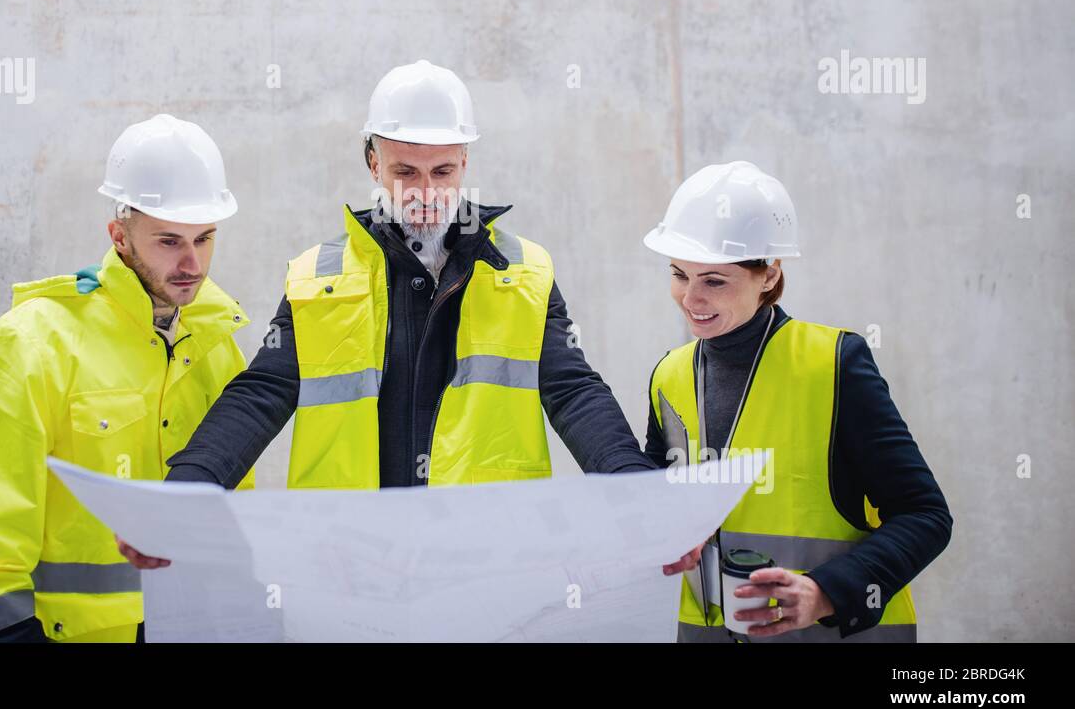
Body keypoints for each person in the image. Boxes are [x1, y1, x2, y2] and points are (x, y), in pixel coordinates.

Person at [118, 60, 700, 584]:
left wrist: (640, 500)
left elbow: (574, 394)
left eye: (442, 172)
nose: (424, 192)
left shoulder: (522, 272)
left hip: (484, 564)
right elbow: (261, 394)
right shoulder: (320, 277)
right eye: (405, 171)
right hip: (351, 563)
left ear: (466, 163)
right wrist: (183, 496)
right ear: (373, 161)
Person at [0, 114, 254, 642]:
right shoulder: (31, 343)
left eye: (205, 238)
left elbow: (232, 517)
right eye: (169, 241)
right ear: (119, 236)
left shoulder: (217, 345)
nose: (193, 262)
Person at [642, 160, 952, 642]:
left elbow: (925, 517)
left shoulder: (833, 364)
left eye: (714, 280)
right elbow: (657, 508)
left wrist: (825, 593)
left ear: (768, 275)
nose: (690, 299)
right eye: (680, 275)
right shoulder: (669, 374)